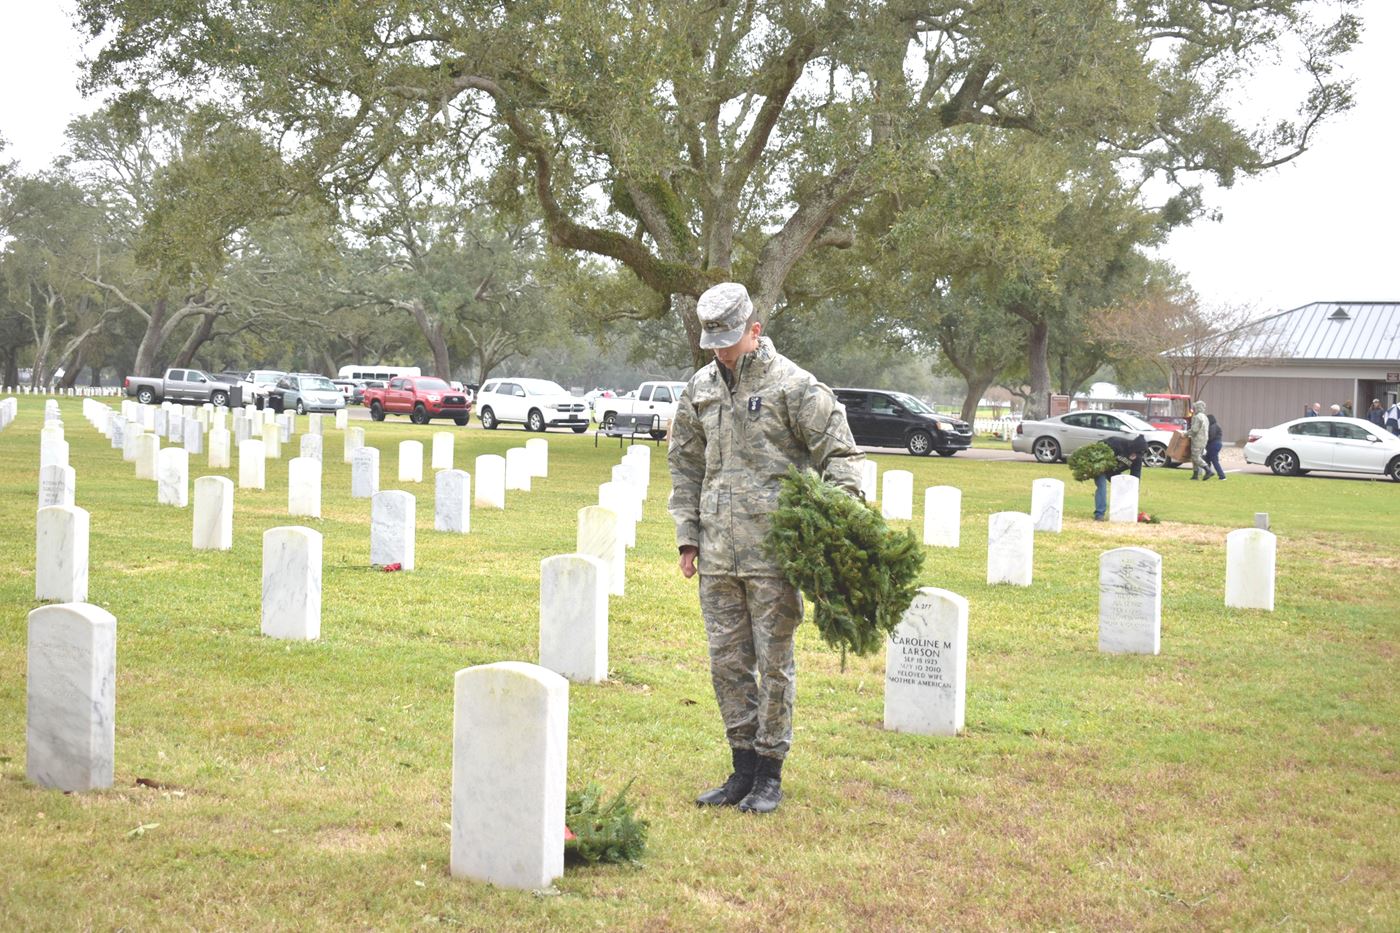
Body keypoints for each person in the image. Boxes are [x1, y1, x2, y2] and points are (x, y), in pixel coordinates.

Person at [668, 282, 864, 815]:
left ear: (755, 328)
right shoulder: (700, 388)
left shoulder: (794, 386)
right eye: (714, 342)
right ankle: (741, 769)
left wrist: (834, 524)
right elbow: (685, 463)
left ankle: (770, 771)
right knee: (727, 663)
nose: (721, 350)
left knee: (774, 664)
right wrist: (689, 536)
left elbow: (840, 454)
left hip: (774, 554)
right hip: (717, 553)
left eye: (730, 339)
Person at [1094, 433, 1146, 520]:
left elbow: (1135, 477)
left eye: (1141, 453)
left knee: (1124, 487)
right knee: (1102, 486)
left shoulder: (1138, 459)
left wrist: (1134, 490)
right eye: (1137, 452)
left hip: (1113, 472)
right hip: (1100, 467)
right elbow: (1099, 447)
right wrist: (1100, 464)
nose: (1137, 456)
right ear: (1133, 448)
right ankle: (1099, 514)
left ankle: (1122, 512)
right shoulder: (1116, 443)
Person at [1188, 400, 1210, 480]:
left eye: (1195, 407)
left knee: (1195, 457)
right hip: (1204, 440)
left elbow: (1194, 430)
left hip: (1197, 440)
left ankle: (1208, 470)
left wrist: (1186, 434)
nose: (1194, 409)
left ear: (1198, 408)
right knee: (1196, 456)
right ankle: (1195, 474)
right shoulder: (1205, 417)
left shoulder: (1197, 417)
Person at [1202, 412, 1226, 480]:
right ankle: (1208, 472)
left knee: (1214, 461)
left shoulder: (1213, 426)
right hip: (1216, 445)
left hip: (1213, 445)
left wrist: (1204, 440)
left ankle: (1222, 476)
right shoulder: (1215, 426)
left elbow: (1210, 437)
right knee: (1206, 459)